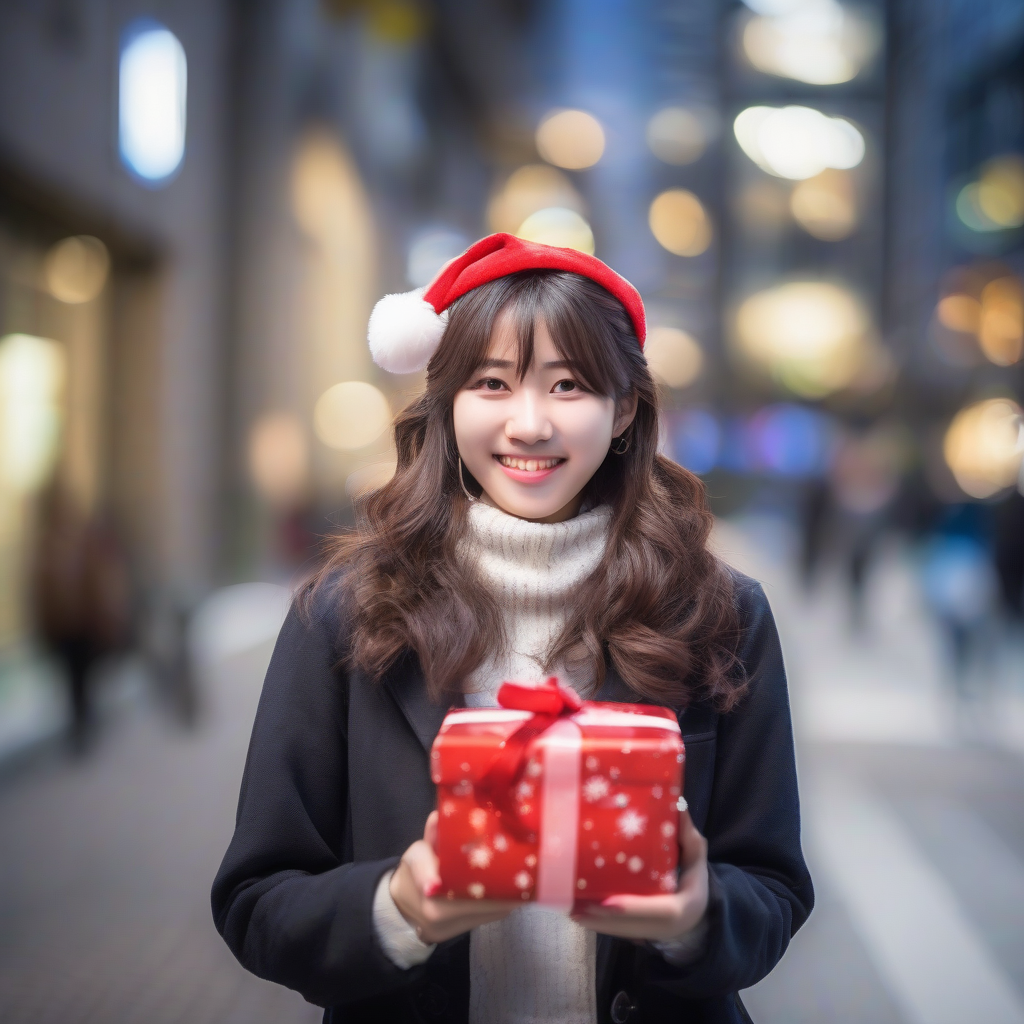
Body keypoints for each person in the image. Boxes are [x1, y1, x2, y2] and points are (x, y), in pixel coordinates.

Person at [212, 234, 813, 1023]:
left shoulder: (719, 613)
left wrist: (697, 916)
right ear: (447, 401)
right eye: (492, 383)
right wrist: (400, 907)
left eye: (569, 386)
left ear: (625, 408)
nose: (529, 424)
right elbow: (259, 900)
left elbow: (772, 886)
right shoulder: (342, 614)